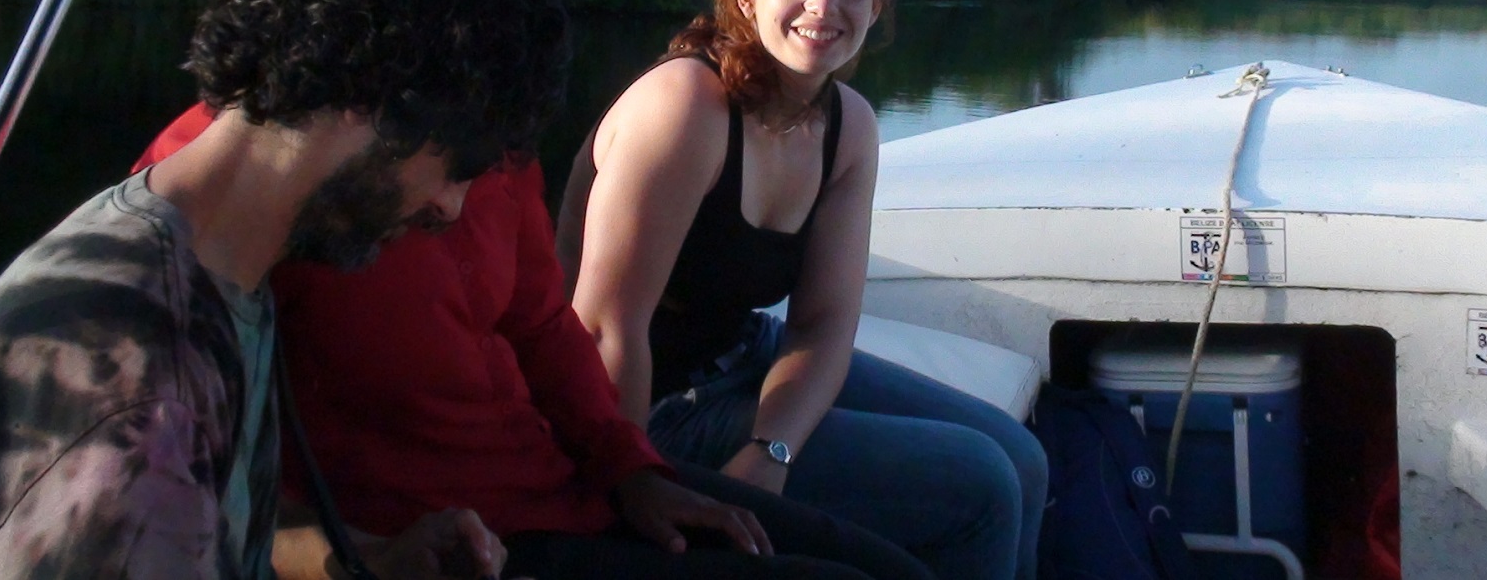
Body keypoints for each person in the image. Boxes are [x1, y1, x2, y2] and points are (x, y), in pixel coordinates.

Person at [0, 0, 571, 579]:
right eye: (459, 164)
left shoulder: (209, 268)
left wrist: (371, 558)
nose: (451, 206)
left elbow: (203, 527)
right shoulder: (135, 387)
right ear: (369, 96)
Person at [137, 102, 934, 580]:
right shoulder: (230, 182)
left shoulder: (493, 132)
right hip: (454, 538)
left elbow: (542, 324)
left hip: (565, 477)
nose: (458, 200)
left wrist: (633, 468)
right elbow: (186, 480)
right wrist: (358, 555)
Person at [557, 0, 1050, 580]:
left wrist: (773, 449)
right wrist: (627, 490)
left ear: (876, 4)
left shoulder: (848, 127)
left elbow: (821, 324)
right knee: (980, 484)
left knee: (1023, 459)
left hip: (742, 356)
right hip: (645, 407)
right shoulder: (686, 106)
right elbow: (604, 328)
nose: (823, 4)